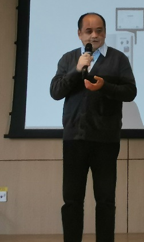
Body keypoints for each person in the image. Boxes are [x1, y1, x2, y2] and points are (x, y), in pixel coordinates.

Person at [50, 13, 137, 242]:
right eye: (88, 31)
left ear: (105, 33)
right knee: (72, 200)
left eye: (99, 30)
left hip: (106, 139)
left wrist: (105, 86)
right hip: (74, 139)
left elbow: (130, 92)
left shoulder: (118, 59)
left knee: (106, 200)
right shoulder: (69, 59)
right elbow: (56, 92)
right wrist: (76, 70)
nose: (94, 35)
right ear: (80, 34)